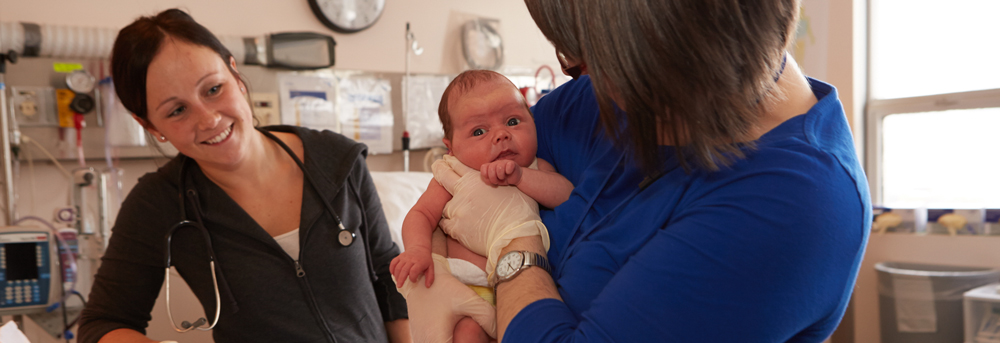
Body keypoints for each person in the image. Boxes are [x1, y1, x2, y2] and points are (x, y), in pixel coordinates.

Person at [439, 0, 872, 342]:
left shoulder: (796, 201)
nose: (590, 83)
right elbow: (463, 168)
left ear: (674, 50)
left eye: (595, 60)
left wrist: (513, 246)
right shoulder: (602, 103)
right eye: (578, 62)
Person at [77, 9, 410, 343]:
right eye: (177, 110)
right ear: (150, 126)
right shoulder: (160, 202)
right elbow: (100, 324)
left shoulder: (336, 159)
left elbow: (389, 276)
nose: (208, 119)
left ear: (235, 74)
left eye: (213, 89)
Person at [389, 70, 573, 343]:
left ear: (533, 121)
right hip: (467, 288)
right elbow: (421, 214)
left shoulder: (534, 166)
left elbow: (566, 195)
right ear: (451, 148)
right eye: (478, 131)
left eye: (512, 121)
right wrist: (417, 249)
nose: (501, 135)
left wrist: (522, 178)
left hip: (522, 289)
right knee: (467, 333)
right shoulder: (452, 172)